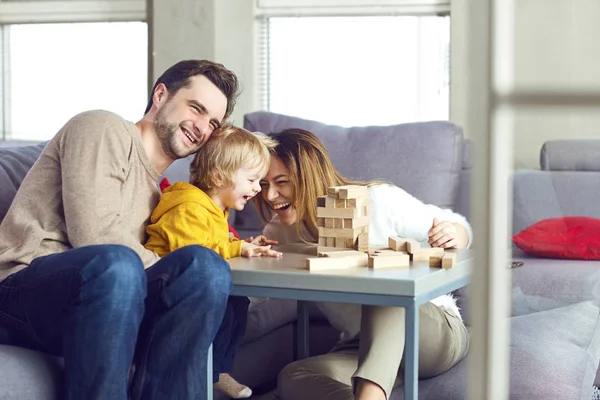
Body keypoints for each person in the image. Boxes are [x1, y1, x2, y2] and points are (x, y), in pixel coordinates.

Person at [0, 59, 240, 400]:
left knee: (206, 269)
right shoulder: (102, 127)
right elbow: (93, 237)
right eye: (196, 108)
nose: (201, 126)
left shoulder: (161, 196)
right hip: (20, 292)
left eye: (213, 122)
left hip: (105, 305)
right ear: (160, 95)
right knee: (118, 264)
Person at [254, 128, 473, 400]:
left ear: (308, 176)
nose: (270, 196)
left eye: (281, 182)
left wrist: (457, 233)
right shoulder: (279, 232)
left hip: (432, 335)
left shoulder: (379, 201)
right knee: (295, 377)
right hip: (362, 346)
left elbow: (458, 224)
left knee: (384, 288)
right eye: (263, 185)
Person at [145, 124, 282, 398]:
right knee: (228, 304)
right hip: (161, 294)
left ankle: (216, 371)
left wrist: (241, 244)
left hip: (189, 288)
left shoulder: (215, 209)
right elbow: (194, 253)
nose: (258, 189)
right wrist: (236, 249)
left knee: (238, 300)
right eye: (253, 180)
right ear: (220, 178)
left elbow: (211, 242)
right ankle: (207, 370)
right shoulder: (189, 206)